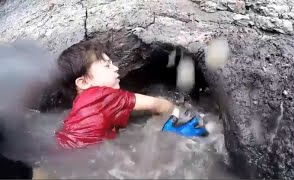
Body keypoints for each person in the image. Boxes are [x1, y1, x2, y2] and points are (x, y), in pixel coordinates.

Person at [54, 40, 207, 149]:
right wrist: (177, 112)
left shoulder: (79, 108)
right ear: (83, 83)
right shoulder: (102, 95)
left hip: (66, 152)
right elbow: (157, 104)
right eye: (107, 66)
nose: (115, 68)